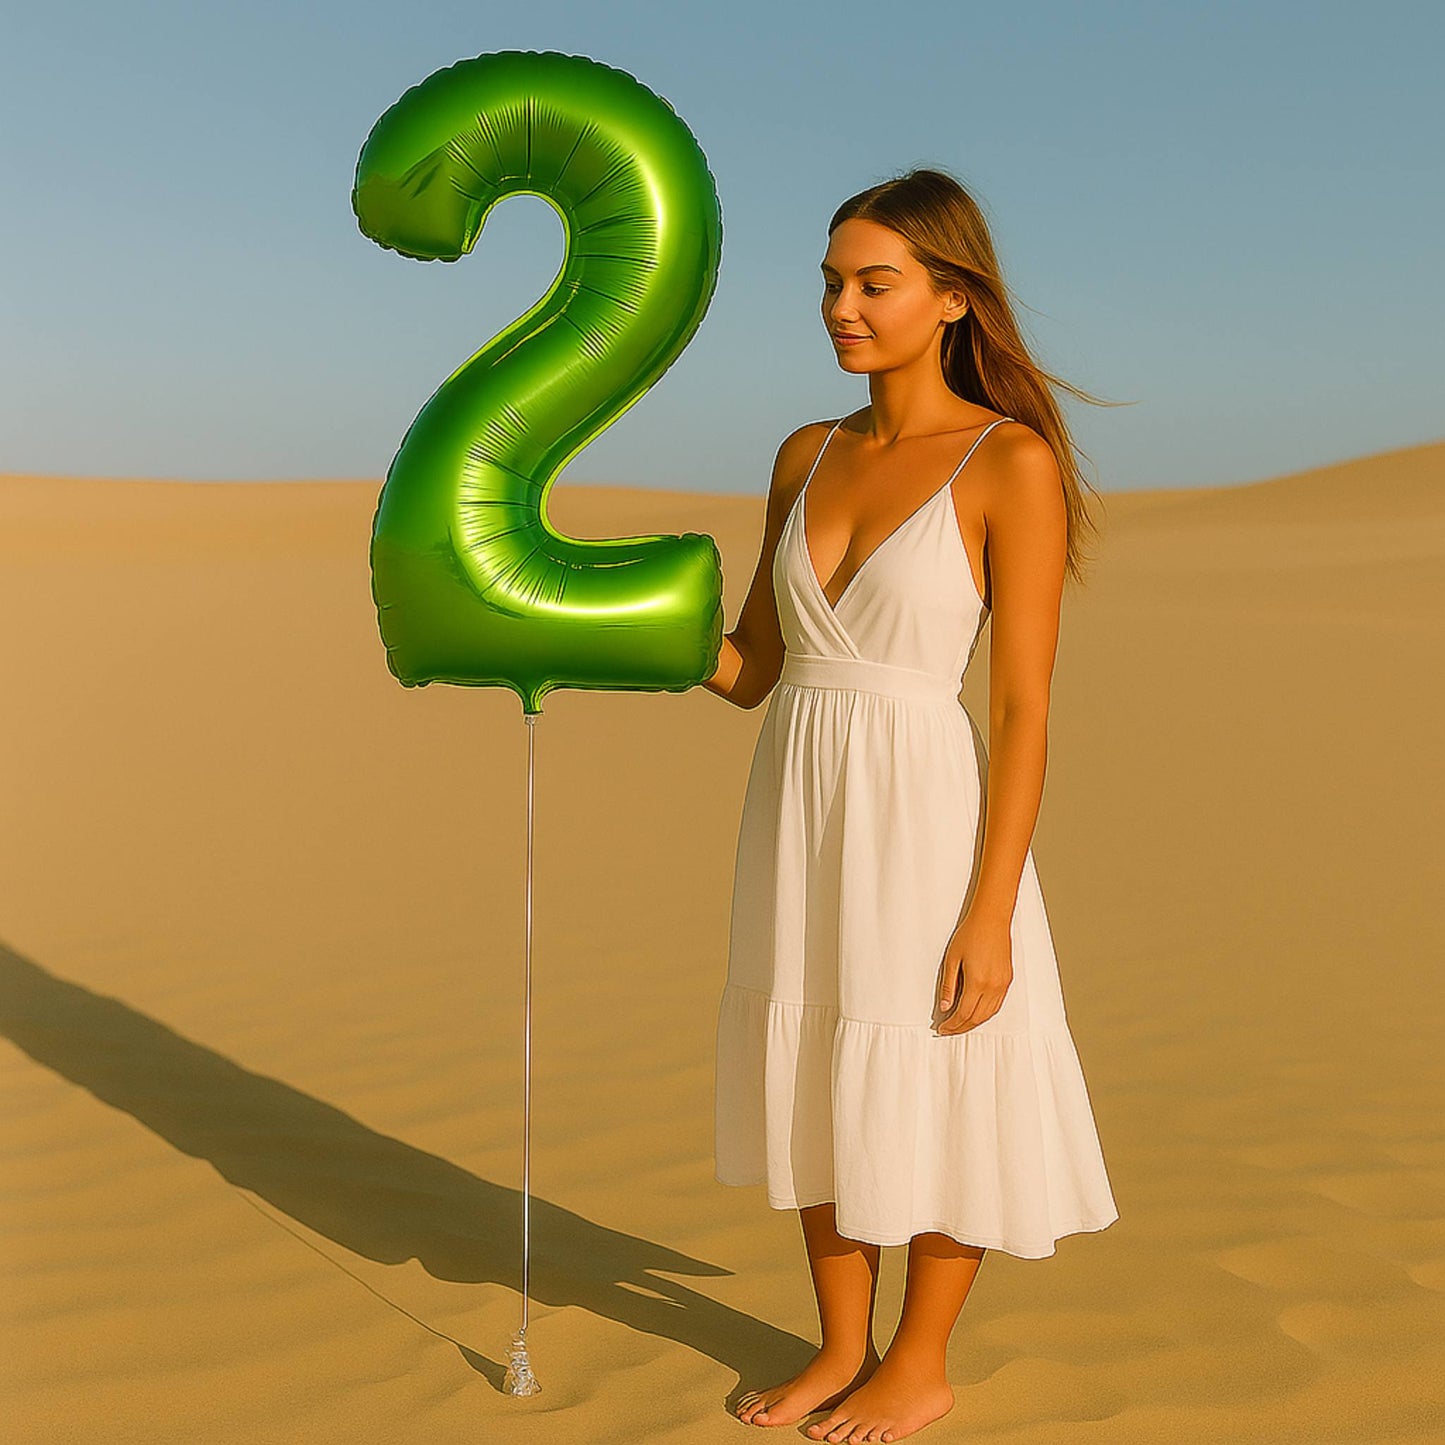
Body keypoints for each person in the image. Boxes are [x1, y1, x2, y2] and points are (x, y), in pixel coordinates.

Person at [702, 167, 1120, 1442]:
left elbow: (1022, 708)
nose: (842, 306)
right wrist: (603, 633)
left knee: (932, 1067)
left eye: (873, 283)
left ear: (949, 297)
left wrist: (989, 909)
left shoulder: (1008, 462)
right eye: (830, 281)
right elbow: (751, 667)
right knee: (816, 1055)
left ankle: (918, 1360)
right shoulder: (803, 453)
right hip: (799, 802)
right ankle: (841, 1343)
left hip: (925, 817)